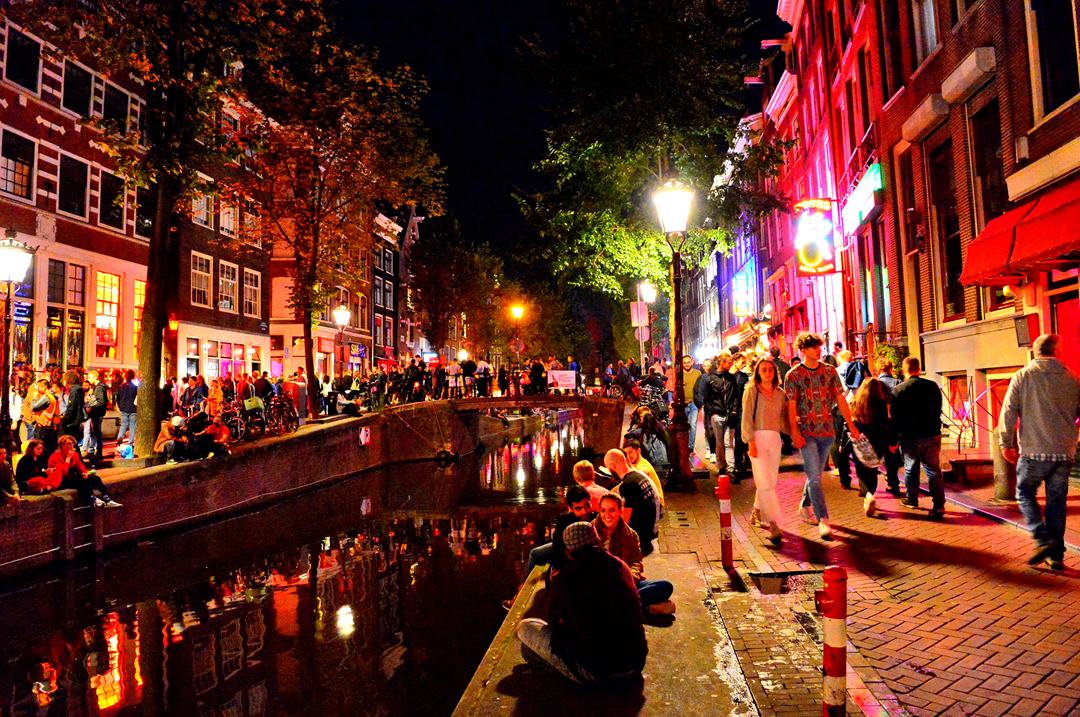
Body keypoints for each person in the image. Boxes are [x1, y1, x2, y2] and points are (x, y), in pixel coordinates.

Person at [516, 521, 648, 684]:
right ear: (598, 541)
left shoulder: (564, 578)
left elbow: (552, 621)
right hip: (635, 663)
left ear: (568, 552)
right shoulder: (621, 566)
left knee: (525, 628)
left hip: (597, 671)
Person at [998, 334, 1080, 570]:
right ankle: (1057, 557)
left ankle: (1043, 539)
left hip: (1034, 451)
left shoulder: (1022, 376)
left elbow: (1008, 412)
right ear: (1056, 351)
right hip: (1064, 452)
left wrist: (1006, 443)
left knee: (1025, 493)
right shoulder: (1073, 378)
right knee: (1057, 503)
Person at [785, 332, 860, 540]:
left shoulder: (829, 371)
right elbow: (791, 406)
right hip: (807, 432)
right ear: (803, 350)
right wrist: (794, 432)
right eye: (814, 347)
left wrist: (850, 424)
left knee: (815, 474)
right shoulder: (793, 375)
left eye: (819, 346)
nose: (819, 350)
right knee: (815, 477)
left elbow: (840, 399)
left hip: (827, 431)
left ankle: (804, 506)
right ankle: (823, 519)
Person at [593, 493, 675, 615]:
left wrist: (628, 579)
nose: (607, 515)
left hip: (624, 583)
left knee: (665, 587)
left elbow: (635, 562)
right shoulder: (591, 532)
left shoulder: (630, 535)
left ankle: (615, 607)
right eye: (603, 510)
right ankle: (645, 609)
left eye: (612, 510)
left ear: (620, 511)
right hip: (599, 585)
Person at [890, 356, 946, 519]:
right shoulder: (932, 386)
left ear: (904, 370)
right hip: (931, 434)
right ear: (919, 369)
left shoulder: (899, 390)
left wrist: (894, 439)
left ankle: (912, 498)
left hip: (910, 436)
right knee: (933, 469)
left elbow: (895, 418)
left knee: (911, 468)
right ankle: (939, 504)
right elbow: (938, 409)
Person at [742, 358, 789, 546]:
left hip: (775, 439)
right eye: (763, 370)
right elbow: (746, 417)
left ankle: (756, 511)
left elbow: (784, 420)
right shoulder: (752, 390)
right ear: (757, 372)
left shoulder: (780, 394)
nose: (767, 373)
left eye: (770, 370)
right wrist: (750, 441)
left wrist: (795, 430)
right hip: (758, 439)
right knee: (765, 482)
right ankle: (773, 523)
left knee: (770, 480)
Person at [850, 378, 895, 517]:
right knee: (873, 470)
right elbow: (885, 424)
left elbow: (852, 422)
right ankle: (871, 493)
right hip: (877, 440)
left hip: (860, 440)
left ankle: (868, 495)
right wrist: (890, 442)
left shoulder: (856, 402)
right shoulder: (880, 404)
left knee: (861, 471)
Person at [603, 449, 658, 555]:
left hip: (639, 539)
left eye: (609, 469)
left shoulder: (628, 485)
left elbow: (624, 521)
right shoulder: (638, 476)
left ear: (613, 466)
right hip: (648, 533)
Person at [43, 435, 120, 507]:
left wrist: (84, 473)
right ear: (62, 445)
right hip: (61, 480)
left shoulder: (75, 454)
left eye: (72, 444)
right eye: (69, 444)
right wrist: (68, 459)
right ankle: (92, 498)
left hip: (72, 477)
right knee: (80, 482)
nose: (71, 446)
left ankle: (107, 499)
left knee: (95, 478)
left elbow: (80, 466)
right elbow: (63, 473)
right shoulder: (55, 456)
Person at [702, 354, 737, 474]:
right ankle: (722, 466)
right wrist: (712, 412)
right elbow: (706, 398)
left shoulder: (731, 378)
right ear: (721, 362)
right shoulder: (711, 379)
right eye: (728, 362)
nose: (730, 364)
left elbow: (735, 396)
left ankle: (730, 468)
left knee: (729, 443)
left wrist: (734, 411)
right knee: (719, 443)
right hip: (717, 414)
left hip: (729, 414)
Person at [621, 437, 664, 514]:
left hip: (655, 503)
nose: (628, 456)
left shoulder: (643, 464)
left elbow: (642, 472)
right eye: (626, 453)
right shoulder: (633, 464)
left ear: (638, 451)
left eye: (630, 452)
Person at [678, 355, 702, 454]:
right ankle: (683, 445)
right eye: (685, 362)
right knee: (683, 426)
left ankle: (690, 447)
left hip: (694, 403)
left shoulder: (698, 373)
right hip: (683, 403)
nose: (687, 364)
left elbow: (701, 387)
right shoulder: (680, 375)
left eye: (688, 362)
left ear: (692, 362)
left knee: (692, 424)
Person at [85, 372, 108, 465]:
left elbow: (101, 402)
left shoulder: (99, 388)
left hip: (97, 413)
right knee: (96, 432)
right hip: (98, 413)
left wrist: (92, 407)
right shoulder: (99, 387)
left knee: (97, 432)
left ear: (95, 378)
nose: (89, 379)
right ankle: (96, 452)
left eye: (90, 377)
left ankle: (98, 453)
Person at [115, 370, 138, 446]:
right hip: (133, 409)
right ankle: (130, 442)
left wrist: (120, 406)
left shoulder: (120, 387)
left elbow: (117, 398)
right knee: (132, 426)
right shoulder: (135, 387)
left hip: (124, 408)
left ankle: (120, 438)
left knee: (124, 425)